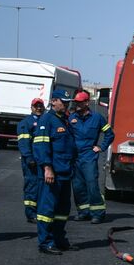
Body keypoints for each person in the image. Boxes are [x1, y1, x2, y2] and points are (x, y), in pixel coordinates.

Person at [31, 95, 78, 255]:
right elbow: (41, 146)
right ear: (53, 102)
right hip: (53, 172)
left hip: (65, 172)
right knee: (47, 209)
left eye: (67, 102)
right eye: (62, 102)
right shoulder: (47, 120)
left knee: (62, 210)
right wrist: (47, 168)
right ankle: (45, 243)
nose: (65, 105)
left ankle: (59, 240)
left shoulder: (64, 120)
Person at [68, 90, 114, 224]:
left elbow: (110, 134)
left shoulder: (97, 118)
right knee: (77, 186)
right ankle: (83, 212)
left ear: (87, 102)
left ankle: (98, 213)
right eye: (76, 102)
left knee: (92, 184)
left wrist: (101, 147)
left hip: (89, 156)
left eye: (80, 102)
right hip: (75, 157)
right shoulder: (71, 118)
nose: (77, 104)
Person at [16, 97, 45, 223]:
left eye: (40, 106)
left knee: (42, 186)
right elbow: (23, 142)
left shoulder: (45, 120)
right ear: (31, 108)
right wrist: (28, 157)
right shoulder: (25, 123)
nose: (38, 108)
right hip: (31, 160)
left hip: (43, 160)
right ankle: (31, 213)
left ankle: (40, 211)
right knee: (31, 185)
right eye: (36, 106)